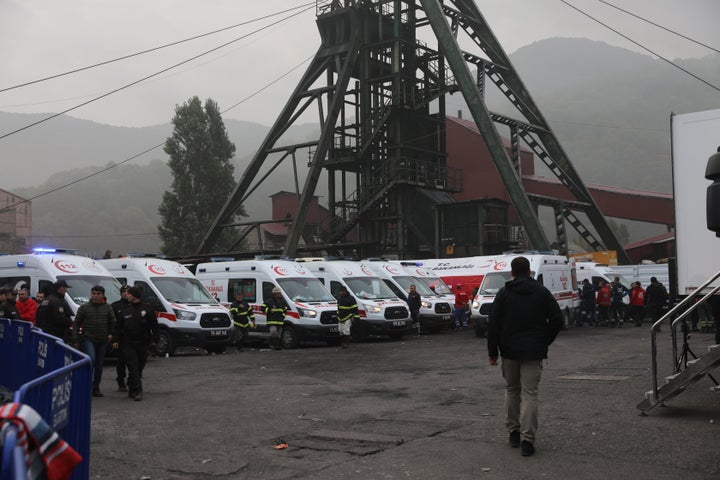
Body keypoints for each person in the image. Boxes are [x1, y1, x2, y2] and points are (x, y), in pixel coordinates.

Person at [487, 256, 562, 457]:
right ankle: (527, 441)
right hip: (533, 351)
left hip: (509, 351)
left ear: (512, 272)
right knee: (530, 393)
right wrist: (545, 340)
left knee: (512, 390)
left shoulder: (504, 293)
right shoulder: (542, 292)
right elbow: (557, 319)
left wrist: (493, 352)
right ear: (529, 272)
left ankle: (513, 433)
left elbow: (493, 324)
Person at [112, 286, 158, 401]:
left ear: (134, 295)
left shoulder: (147, 308)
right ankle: (138, 390)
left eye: (129, 294)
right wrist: (115, 340)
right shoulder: (125, 310)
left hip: (143, 342)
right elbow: (118, 327)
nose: (127, 295)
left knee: (139, 367)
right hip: (128, 343)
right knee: (133, 366)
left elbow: (154, 326)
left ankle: (132, 386)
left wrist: (155, 340)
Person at [73, 286, 116, 397]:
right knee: (91, 359)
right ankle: (86, 385)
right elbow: (76, 324)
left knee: (99, 364)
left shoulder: (107, 307)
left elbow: (113, 322)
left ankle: (96, 387)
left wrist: (112, 334)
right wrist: (76, 339)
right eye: (93, 293)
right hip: (88, 338)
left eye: (98, 294)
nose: (95, 296)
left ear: (102, 295)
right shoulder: (84, 307)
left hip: (103, 339)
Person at [111, 285, 130, 391]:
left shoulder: (134, 305)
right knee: (121, 361)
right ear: (121, 293)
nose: (126, 294)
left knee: (132, 361)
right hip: (121, 337)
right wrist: (115, 339)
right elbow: (114, 324)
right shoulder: (115, 306)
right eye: (124, 292)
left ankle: (132, 380)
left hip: (131, 337)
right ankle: (121, 380)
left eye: (128, 292)